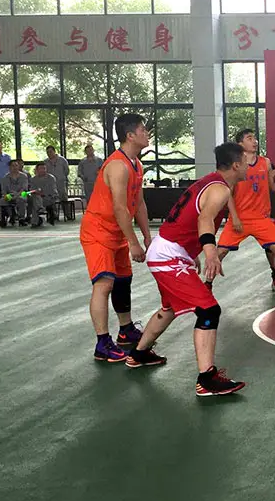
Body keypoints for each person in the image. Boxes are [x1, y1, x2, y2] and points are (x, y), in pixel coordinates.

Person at [128, 142, 248, 397]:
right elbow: (204, 219)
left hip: (170, 250)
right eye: (246, 161)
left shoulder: (211, 182)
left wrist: (190, 254)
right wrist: (210, 252)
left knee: (169, 308)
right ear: (236, 165)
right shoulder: (219, 189)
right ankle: (207, 379)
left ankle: (139, 354)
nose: (249, 165)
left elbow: (191, 218)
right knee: (209, 310)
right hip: (168, 255)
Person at [79, 113, 152, 362]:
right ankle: (102, 343)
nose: (147, 133)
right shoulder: (117, 166)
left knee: (123, 280)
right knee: (104, 284)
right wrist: (134, 243)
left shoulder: (137, 165)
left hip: (118, 230)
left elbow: (138, 204)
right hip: (98, 231)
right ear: (130, 136)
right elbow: (120, 207)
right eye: (142, 130)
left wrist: (147, 236)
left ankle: (125, 330)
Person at [217, 129, 275, 297]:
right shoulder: (235, 165)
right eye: (249, 138)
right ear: (240, 144)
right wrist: (234, 217)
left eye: (255, 138)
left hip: (261, 218)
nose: (255, 141)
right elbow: (227, 193)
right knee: (219, 253)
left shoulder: (265, 162)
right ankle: (206, 285)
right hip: (239, 219)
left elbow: (271, 185)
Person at [0, 160, 30, 227]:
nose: (15, 167)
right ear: (9, 167)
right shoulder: (5, 178)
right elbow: (4, 191)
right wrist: (6, 196)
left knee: (21, 199)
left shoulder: (24, 176)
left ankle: (21, 219)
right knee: (2, 200)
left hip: (21, 193)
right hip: (10, 194)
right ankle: (3, 219)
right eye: (13, 166)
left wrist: (17, 195)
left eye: (16, 165)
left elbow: (24, 189)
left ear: (19, 166)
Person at [28, 162, 59, 227]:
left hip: (49, 197)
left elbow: (52, 190)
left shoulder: (51, 178)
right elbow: (32, 190)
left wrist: (42, 193)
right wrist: (37, 192)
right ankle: (40, 210)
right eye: (40, 168)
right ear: (37, 170)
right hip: (37, 197)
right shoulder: (33, 179)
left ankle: (35, 221)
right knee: (35, 199)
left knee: (36, 201)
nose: (42, 170)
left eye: (44, 168)